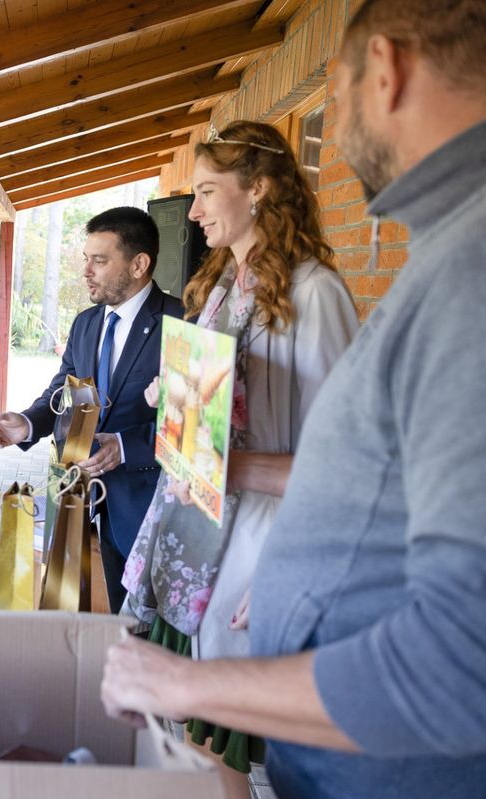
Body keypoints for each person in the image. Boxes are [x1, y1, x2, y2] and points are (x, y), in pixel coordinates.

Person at [100, 1, 486, 796]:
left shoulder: (476, 265)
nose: (333, 126)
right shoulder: (455, 247)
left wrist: (183, 686)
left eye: (337, 90)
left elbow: (471, 661)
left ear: (383, 70)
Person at [119, 120, 358, 771]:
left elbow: (345, 465)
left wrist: (292, 563)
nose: (191, 212)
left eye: (204, 192)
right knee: (193, 744)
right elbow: (211, 410)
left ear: (256, 189)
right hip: (195, 536)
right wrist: (172, 398)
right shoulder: (222, 286)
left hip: (259, 545)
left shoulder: (316, 294)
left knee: (217, 747)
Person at [0, 206, 183, 610]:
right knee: (82, 618)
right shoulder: (86, 323)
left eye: (100, 260)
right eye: (85, 259)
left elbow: (194, 429)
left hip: (145, 510)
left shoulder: (184, 323)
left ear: (139, 264)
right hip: (76, 500)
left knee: (138, 629)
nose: (86, 271)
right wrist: (26, 423)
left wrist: (126, 447)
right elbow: (63, 391)